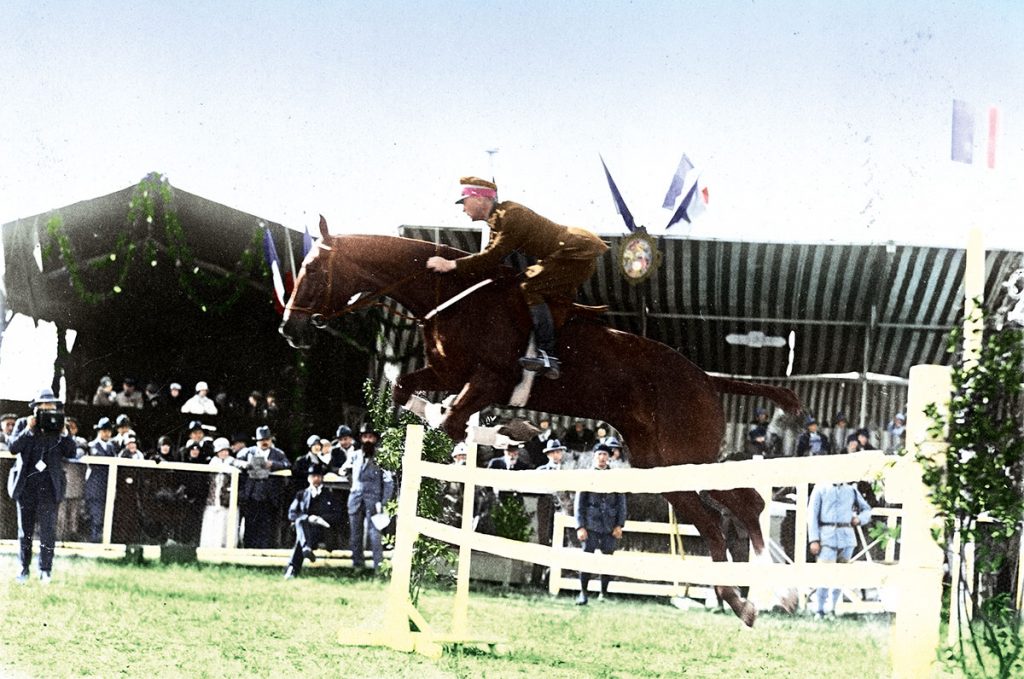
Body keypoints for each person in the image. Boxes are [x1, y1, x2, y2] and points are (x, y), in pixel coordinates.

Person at [425, 176, 609, 379]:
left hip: (575, 251)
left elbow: (490, 257)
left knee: (530, 288)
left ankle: (548, 356)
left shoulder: (511, 216)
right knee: (525, 285)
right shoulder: (500, 220)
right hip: (568, 252)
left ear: (479, 199)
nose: (462, 208)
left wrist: (450, 265)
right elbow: (488, 256)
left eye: (464, 201)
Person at [7, 389, 78, 583]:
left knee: (48, 531)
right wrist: (29, 430)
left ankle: (45, 570)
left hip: (49, 485)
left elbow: (72, 452)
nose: (48, 410)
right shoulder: (23, 423)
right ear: (36, 408)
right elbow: (13, 448)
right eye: (44, 406)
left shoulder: (59, 425)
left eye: (51, 406)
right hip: (26, 485)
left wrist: (64, 432)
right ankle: (23, 568)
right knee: (25, 531)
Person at [808, 479, 872, 618]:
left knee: (840, 575)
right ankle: (819, 610)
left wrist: (860, 519)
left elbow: (867, 509)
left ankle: (832, 608)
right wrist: (814, 539)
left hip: (847, 537)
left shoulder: (851, 490)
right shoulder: (820, 488)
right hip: (826, 536)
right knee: (824, 574)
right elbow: (812, 514)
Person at [573, 445, 627, 605]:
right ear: (594, 457)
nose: (602, 458)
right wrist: (580, 526)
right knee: (587, 559)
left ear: (609, 457)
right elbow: (579, 503)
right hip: (590, 524)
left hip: (609, 525)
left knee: (608, 559)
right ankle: (583, 593)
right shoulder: (587, 475)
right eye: (599, 455)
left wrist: (619, 525)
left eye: (604, 454)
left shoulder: (615, 477)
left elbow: (621, 503)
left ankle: (604, 593)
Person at [341, 423, 394, 571]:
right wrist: (345, 471)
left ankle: (379, 567)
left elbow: (389, 481)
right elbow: (343, 469)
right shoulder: (354, 455)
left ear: (375, 439)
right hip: (355, 499)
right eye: (365, 437)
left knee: (375, 534)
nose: (368, 440)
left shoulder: (382, 456)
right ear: (361, 439)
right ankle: (357, 565)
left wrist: (383, 502)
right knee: (355, 534)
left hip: (373, 501)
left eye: (371, 437)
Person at [284, 461, 345, 579]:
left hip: (323, 532)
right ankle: (305, 549)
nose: (316, 479)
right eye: (313, 476)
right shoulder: (301, 494)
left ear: (322, 478)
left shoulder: (330, 495)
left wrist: (320, 519)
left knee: (301, 540)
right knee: (301, 521)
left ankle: (293, 567)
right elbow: (291, 514)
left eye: (318, 476)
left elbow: (338, 516)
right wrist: (309, 518)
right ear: (308, 478)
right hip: (306, 531)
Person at [232, 425, 289, 548]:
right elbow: (235, 461)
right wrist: (245, 465)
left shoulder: (278, 453)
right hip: (252, 495)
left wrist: (272, 464)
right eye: (261, 440)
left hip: (269, 496)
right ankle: (248, 548)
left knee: (266, 526)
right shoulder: (249, 451)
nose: (264, 442)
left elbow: (287, 464)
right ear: (257, 441)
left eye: (267, 440)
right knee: (250, 524)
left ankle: (264, 549)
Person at [81, 416, 117, 543]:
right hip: (95, 486)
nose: (107, 433)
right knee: (96, 515)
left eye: (109, 431)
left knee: (105, 515)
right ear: (99, 431)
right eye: (104, 430)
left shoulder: (112, 447)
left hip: (108, 485)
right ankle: (94, 539)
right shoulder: (91, 446)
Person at [200, 437, 239, 548]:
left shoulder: (232, 462)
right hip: (213, 501)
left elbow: (240, 465)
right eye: (221, 451)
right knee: (212, 525)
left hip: (226, 502)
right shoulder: (212, 462)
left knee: (225, 525)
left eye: (226, 450)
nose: (224, 453)